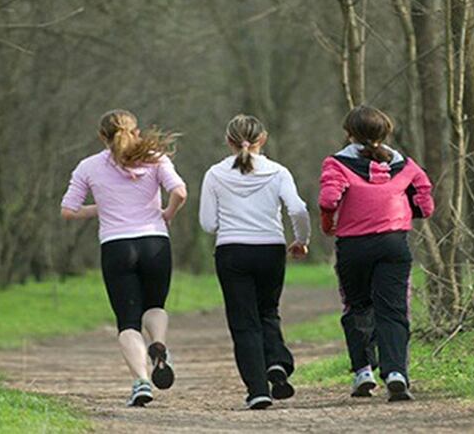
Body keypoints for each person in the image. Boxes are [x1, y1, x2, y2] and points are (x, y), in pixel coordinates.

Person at [60, 109, 187, 407]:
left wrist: (100, 208)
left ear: (102, 136)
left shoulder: (88, 166)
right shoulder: (156, 157)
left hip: (117, 246)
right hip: (155, 243)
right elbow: (180, 192)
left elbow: (68, 210)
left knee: (128, 323)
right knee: (155, 306)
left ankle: (141, 382)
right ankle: (159, 345)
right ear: (136, 131)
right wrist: (167, 213)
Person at [318, 105, 434, 402]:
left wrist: (328, 224)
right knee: (393, 310)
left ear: (349, 134)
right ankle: (396, 373)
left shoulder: (337, 163)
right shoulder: (404, 164)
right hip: (394, 244)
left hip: (353, 246)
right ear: (385, 132)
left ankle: (363, 372)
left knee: (357, 307)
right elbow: (425, 201)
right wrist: (412, 209)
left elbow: (329, 199)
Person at [199, 114, 311, 410]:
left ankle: (258, 389)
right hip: (270, 250)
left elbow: (208, 224)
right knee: (268, 311)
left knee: (243, 321)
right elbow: (298, 209)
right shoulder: (278, 172)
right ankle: (276, 361)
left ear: (228, 141)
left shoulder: (215, 174)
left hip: (232, 251)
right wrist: (301, 240)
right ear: (263, 139)